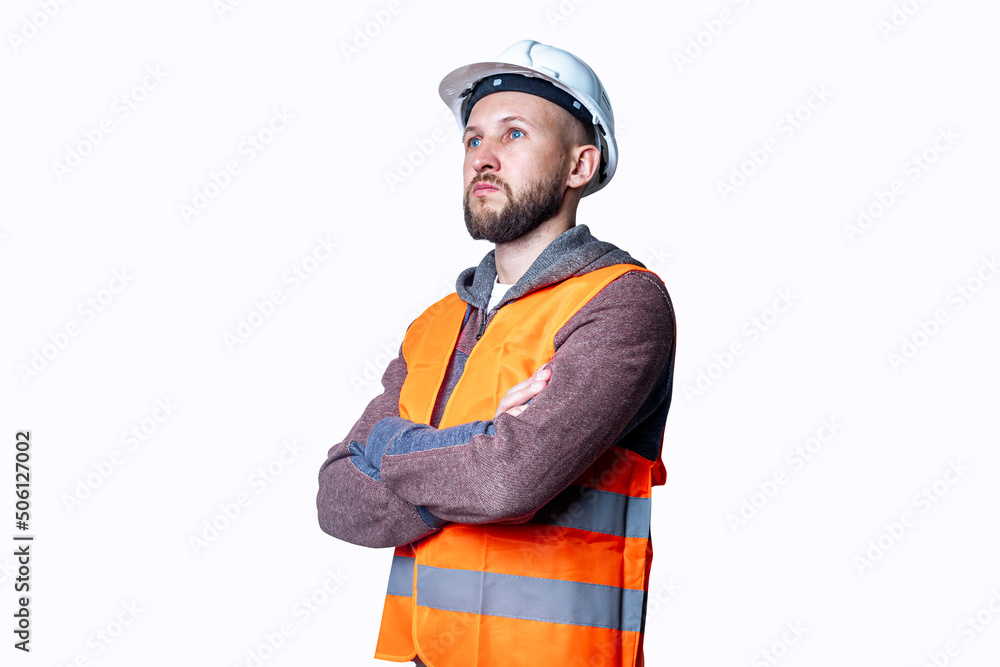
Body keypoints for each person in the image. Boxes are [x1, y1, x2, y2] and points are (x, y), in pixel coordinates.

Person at [316, 39, 676, 667]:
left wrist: (384, 446)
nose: (483, 156)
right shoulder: (437, 324)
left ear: (578, 166)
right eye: (473, 139)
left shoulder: (623, 303)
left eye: (513, 134)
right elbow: (337, 499)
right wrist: (481, 446)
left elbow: (507, 481)